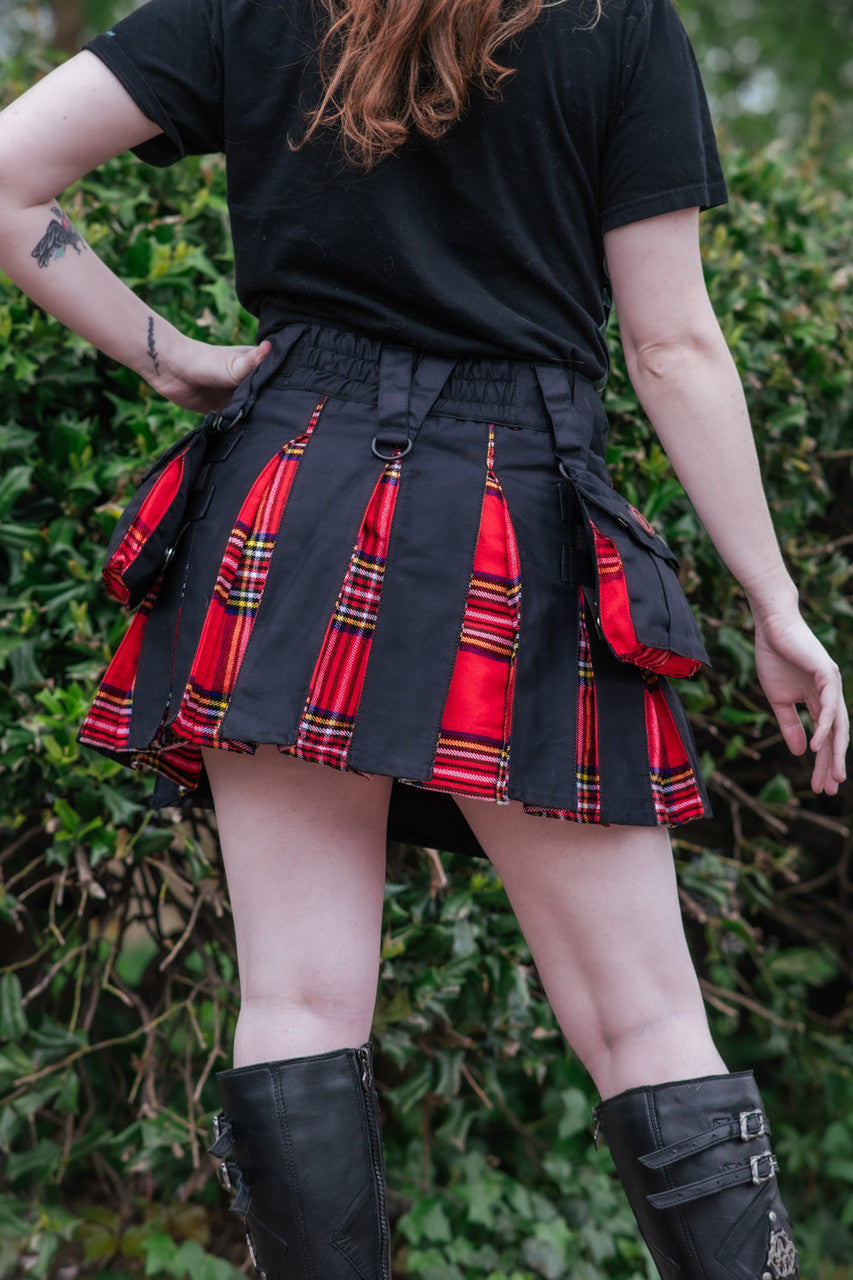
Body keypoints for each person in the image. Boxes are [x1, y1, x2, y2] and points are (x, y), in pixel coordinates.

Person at [0, 0, 847, 1275]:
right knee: (645, 1018)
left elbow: (11, 174)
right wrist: (773, 599)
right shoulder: (616, 21)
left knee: (295, 1000)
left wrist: (167, 356)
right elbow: (669, 341)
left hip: (286, 498)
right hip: (511, 512)